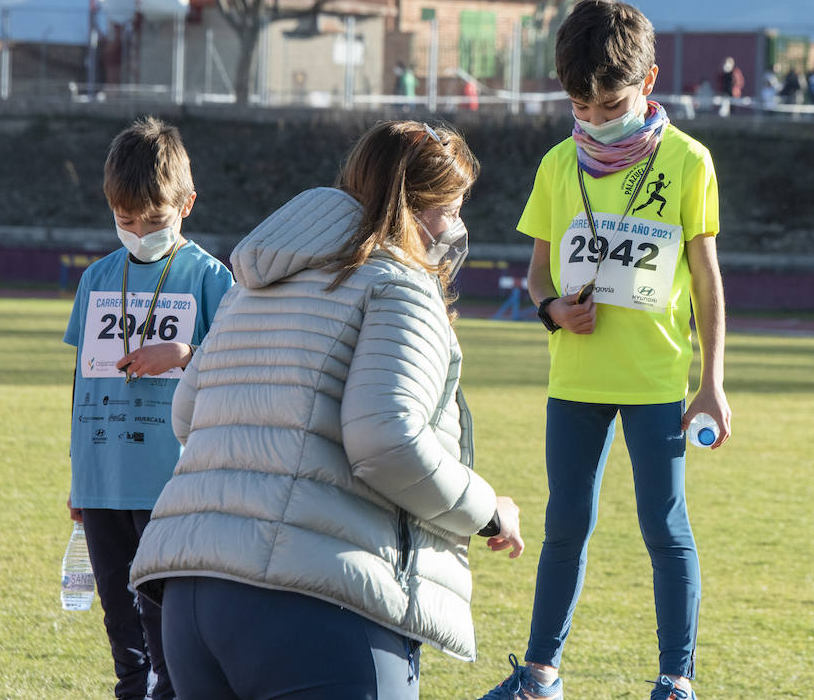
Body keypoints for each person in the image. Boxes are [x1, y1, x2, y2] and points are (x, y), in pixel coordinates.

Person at [129, 121, 526, 699]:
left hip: (192, 596)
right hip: (314, 601)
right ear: (418, 209)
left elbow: (188, 412)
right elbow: (388, 441)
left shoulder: (256, 283)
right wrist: (488, 509)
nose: (455, 229)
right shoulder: (400, 286)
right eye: (452, 209)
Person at [476, 0, 731, 700]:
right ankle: (540, 674)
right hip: (576, 381)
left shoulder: (687, 161)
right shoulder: (560, 164)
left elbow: (707, 283)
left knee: (664, 527)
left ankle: (677, 679)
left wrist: (711, 382)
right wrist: (552, 309)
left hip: (655, 382)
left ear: (647, 82)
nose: (592, 116)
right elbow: (537, 273)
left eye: (609, 102)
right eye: (578, 105)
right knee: (565, 525)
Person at [63, 116, 234, 700]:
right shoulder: (96, 279)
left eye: (154, 220)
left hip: (173, 479)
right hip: (102, 477)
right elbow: (81, 379)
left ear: (187, 203)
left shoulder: (212, 278)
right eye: (125, 220)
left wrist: (185, 352)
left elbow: (242, 364)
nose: (138, 232)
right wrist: (76, 472)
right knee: (120, 620)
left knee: (166, 615)